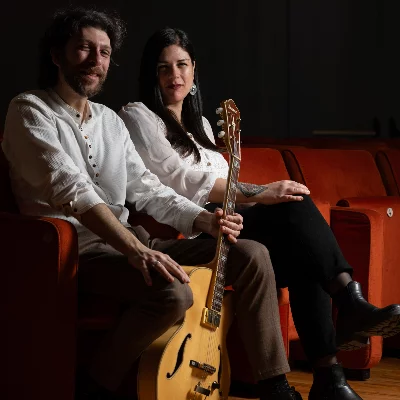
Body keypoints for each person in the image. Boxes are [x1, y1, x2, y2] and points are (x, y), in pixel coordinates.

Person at [2, 7, 307, 400]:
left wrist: (204, 220)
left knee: (251, 254)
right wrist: (136, 251)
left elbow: (148, 189)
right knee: (173, 292)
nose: (96, 60)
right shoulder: (29, 110)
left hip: (133, 241)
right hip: (73, 253)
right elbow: (73, 190)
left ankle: (274, 384)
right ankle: (95, 386)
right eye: (83, 48)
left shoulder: (110, 121)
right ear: (56, 55)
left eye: (105, 52)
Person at [119, 27, 400, 400]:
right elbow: (180, 179)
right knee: (294, 210)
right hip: (195, 227)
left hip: (232, 222)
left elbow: (227, 188)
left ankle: (330, 378)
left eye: (182, 65)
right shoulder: (137, 116)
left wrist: (259, 197)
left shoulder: (202, 127)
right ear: (150, 74)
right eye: (163, 67)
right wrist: (262, 191)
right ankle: (348, 305)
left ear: (194, 69)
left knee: (303, 250)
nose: (175, 75)